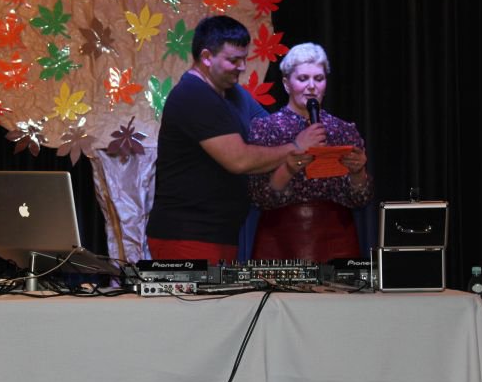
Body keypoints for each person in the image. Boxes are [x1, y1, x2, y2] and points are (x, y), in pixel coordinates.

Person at [146, 16, 326, 263]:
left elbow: (272, 131)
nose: (242, 67)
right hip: (187, 235)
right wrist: (297, 146)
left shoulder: (234, 93)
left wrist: (301, 104)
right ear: (207, 57)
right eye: (233, 60)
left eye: (244, 59)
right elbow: (239, 160)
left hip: (220, 233)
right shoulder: (193, 95)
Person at [248, 42, 373, 262]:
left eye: (319, 78)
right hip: (280, 239)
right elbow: (260, 198)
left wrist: (358, 172)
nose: (312, 86)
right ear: (286, 84)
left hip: (338, 239)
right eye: (303, 78)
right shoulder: (266, 128)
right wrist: (289, 168)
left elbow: (361, 200)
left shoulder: (343, 130)